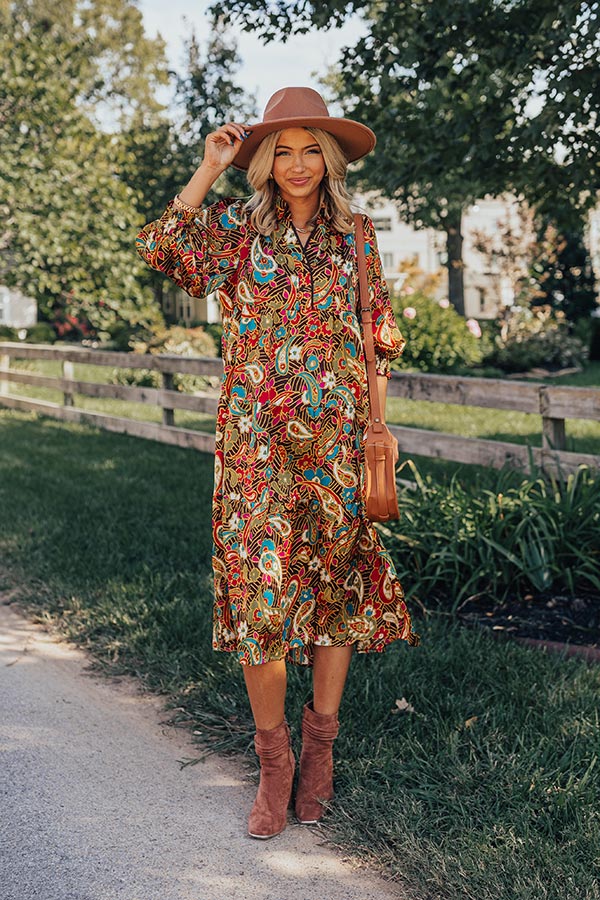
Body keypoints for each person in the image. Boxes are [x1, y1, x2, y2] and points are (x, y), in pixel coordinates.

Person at [136, 86, 420, 840]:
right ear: (264, 161)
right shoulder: (236, 232)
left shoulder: (357, 235)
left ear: (329, 161)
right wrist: (209, 165)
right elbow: (161, 246)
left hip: (336, 445)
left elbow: (379, 335)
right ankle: (274, 762)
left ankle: (320, 747)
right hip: (255, 449)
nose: (297, 165)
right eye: (282, 151)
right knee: (258, 598)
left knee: (334, 594)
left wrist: (378, 429)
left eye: (309, 152)